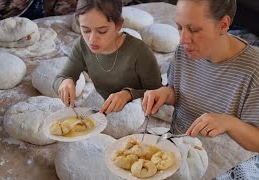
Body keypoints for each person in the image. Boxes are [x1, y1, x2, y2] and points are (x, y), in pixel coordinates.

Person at [142, 0, 259, 152]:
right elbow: (179, 93)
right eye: (179, 27)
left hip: (224, 161)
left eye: (194, 29)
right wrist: (165, 93)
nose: (183, 39)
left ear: (223, 25)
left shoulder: (254, 72)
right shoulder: (184, 50)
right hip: (178, 149)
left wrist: (230, 123)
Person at [53, 0, 162, 114]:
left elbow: (158, 94)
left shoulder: (140, 52)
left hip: (141, 115)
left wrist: (129, 94)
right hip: (109, 114)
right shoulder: (82, 46)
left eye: (102, 31)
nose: (92, 39)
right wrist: (65, 82)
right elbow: (60, 78)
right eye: (86, 30)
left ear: (118, 25)